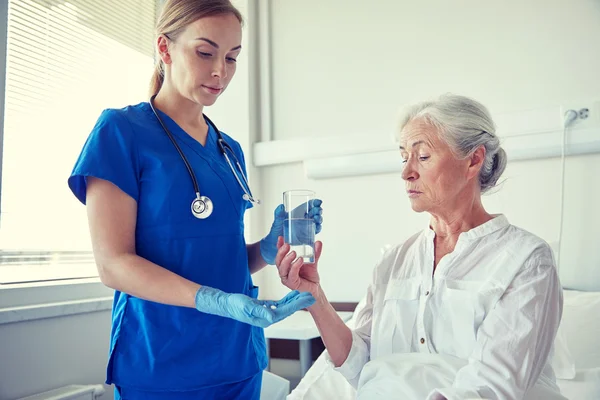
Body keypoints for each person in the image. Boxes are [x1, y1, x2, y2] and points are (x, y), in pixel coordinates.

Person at [67, 1, 322, 399]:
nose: (221, 71)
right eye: (205, 53)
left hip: (238, 359)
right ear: (164, 49)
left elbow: (220, 257)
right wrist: (213, 300)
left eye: (232, 57)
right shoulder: (121, 132)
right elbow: (114, 264)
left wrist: (267, 249)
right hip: (161, 361)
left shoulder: (228, 150)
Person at [275, 94, 566, 399]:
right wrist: (315, 297)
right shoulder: (394, 261)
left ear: (474, 160)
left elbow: (491, 386)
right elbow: (359, 366)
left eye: (423, 156)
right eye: (404, 157)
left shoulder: (526, 260)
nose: (406, 172)